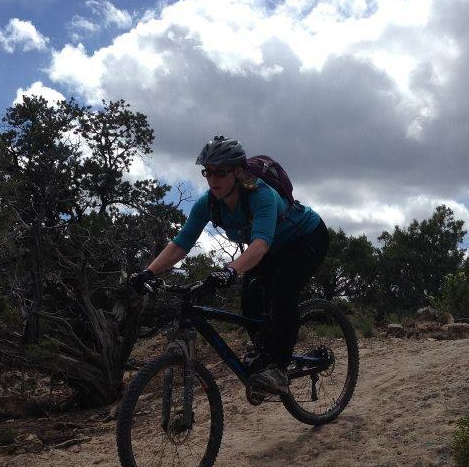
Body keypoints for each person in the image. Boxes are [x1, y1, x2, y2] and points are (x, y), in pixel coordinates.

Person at [130, 135, 330, 396]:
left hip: (306, 237)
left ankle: (278, 370)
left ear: (237, 171)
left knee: (283, 291)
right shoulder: (209, 204)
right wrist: (148, 272)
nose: (213, 179)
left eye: (220, 172)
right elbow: (181, 244)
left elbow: (259, 245)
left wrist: (229, 270)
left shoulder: (261, 195)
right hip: (270, 248)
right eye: (207, 172)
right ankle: (264, 356)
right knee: (249, 298)